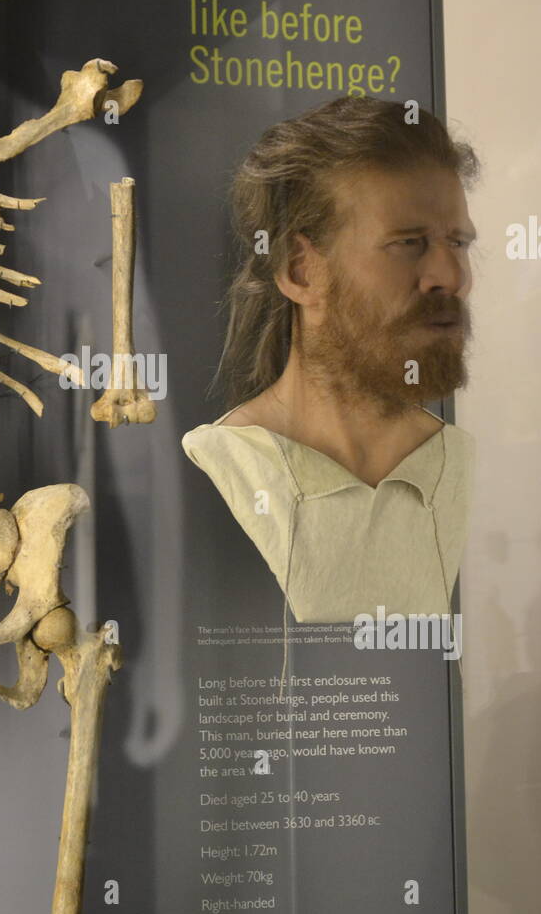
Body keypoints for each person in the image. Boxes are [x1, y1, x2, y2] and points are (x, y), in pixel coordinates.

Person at [181, 96, 478, 638]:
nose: (450, 276)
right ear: (301, 270)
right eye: (408, 244)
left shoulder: (460, 464)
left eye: (457, 242)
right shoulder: (223, 467)